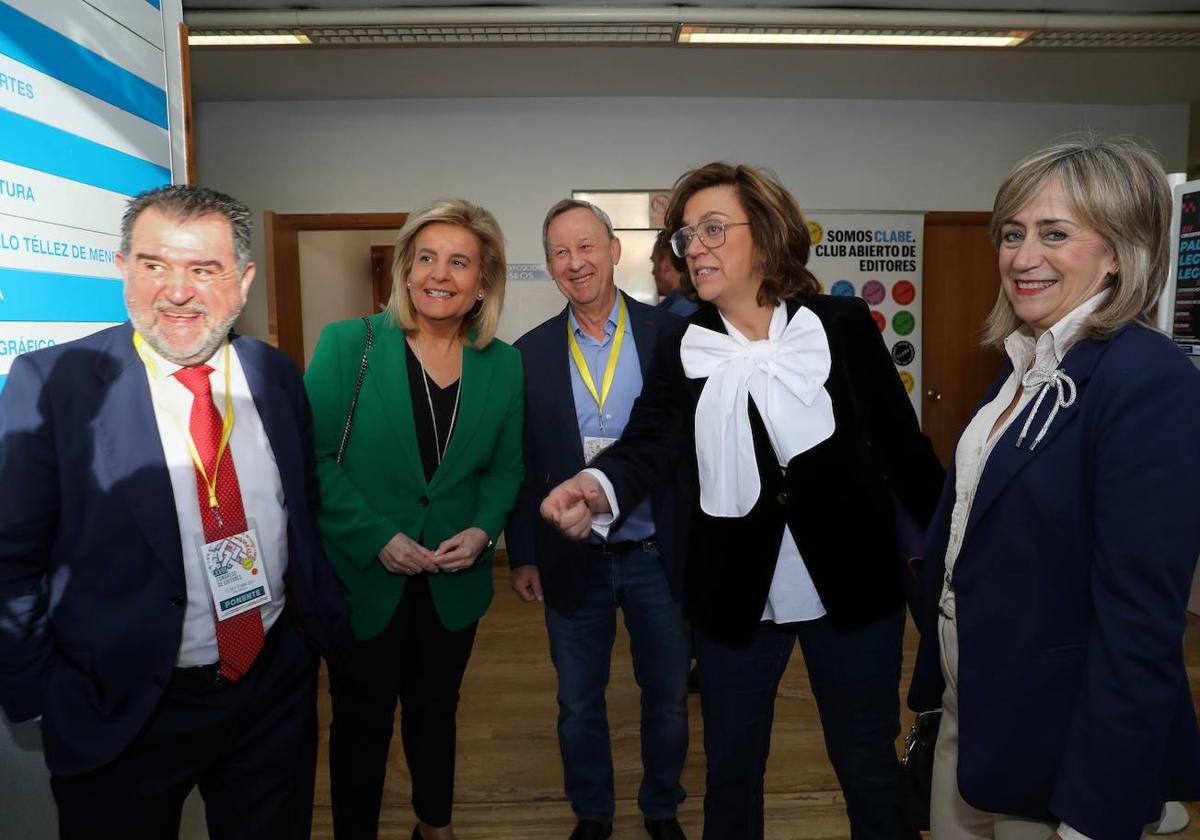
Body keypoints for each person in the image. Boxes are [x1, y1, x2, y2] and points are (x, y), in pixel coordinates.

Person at [541, 163, 945, 840]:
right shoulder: (681, 342)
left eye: (712, 229)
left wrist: (959, 541)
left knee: (868, 770)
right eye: (684, 236)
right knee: (730, 776)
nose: (693, 247)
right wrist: (597, 485)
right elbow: (649, 441)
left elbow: (905, 452)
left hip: (852, 590)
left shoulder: (841, 324)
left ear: (764, 235)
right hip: (735, 599)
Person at [0, 185, 350, 838]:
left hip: (270, 689)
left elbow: (299, 508)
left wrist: (305, 639)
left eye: (203, 269)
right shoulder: (53, 386)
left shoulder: (274, 374)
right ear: (122, 268)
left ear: (242, 282)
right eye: (154, 264)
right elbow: (9, 561)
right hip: (125, 708)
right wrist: (47, 697)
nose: (176, 291)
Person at [908, 137, 1200, 840]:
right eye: (1012, 233)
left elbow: (1139, 627)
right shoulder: (1025, 364)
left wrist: (1095, 814)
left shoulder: (1148, 383)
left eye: (1054, 233)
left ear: (1118, 251)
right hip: (971, 710)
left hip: (1059, 741)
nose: (1021, 256)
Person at [304, 199, 523, 840]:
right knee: (360, 721)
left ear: (482, 282)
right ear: (404, 271)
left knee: (436, 712)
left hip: (453, 582)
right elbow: (311, 457)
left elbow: (505, 471)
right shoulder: (351, 345)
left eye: (460, 262)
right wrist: (377, 538)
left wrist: (484, 531)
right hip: (366, 580)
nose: (439, 274)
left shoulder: (503, 365)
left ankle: (434, 824)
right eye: (426, 257)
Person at [506, 199, 690, 840]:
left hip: (657, 557)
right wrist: (524, 551)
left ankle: (662, 807)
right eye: (560, 252)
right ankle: (593, 812)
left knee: (666, 698)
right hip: (570, 558)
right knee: (577, 702)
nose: (575, 262)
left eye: (586, 246)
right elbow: (525, 462)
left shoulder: (670, 337)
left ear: (615, 251)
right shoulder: (526, 355)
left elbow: (686, 449)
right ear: (550, 266)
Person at [652, 228, 698, 317]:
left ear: (666, 264)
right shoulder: (700, 305)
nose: (653, 272)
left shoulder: (671, 315)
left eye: (654, 262)